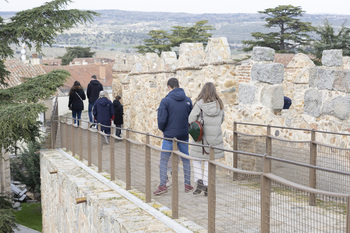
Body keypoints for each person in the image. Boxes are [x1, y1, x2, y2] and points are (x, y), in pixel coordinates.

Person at [153, 78, 194, 195]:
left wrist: (164, 129)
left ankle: (162, 185)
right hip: (183, 135)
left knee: (164, 160)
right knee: (185, 159)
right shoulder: (188, 100)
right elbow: (190, 118)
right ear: (178, 85)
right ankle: (187, 184)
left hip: (169, 135)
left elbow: (161, 120)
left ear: (168, 87)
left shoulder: (165, 101)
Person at [188, 82, 225, 196]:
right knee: (209, 162)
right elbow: (221, 120)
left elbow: (191, 119)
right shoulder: (220, 105)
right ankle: (207, 185)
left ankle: (199, 181)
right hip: (214, 139)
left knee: (196, 159)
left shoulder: (199, 104)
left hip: (201, 138)